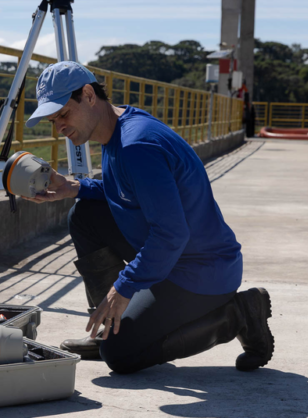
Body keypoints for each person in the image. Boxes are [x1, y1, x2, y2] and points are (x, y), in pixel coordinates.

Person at [23, 61, 274, 374]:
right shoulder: (118, 127)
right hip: (172, 257)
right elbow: (127, 191)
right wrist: (74, 188)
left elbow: (171, 235)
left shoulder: (136, 146)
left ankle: (238, 315)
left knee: (120, 356)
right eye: (53, 120)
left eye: (63, 114)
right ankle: (108, 324)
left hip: (201, 272)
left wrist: (124, 286)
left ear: (88, 95)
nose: (59, 127)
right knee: (84, 214)